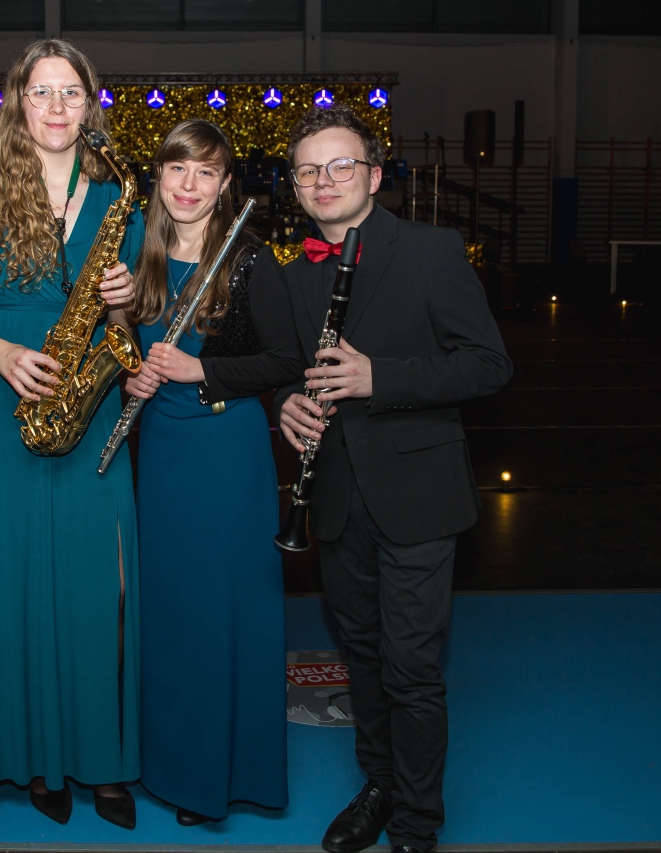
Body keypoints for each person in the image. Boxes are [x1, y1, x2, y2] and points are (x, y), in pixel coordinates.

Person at [274, 105, 512, 853]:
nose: (324, 180)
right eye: (308, 171)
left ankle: (416, 820)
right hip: (336, 497)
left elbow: (489, 365)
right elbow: (285, 366)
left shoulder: (433, 251)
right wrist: (284, 401)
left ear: (374, 176)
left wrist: (381, 378)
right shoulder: (294, 272)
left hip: (418, 494)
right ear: (295, 186)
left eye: (341, 165)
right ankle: (378, 783)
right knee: (365, 656)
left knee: (410, 666)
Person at [0, 38, 142, 830]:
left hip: (86, 395)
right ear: (16, 102)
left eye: (71, 92)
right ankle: (35, 756)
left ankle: (103, 756)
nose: (57, 107)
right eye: (41, 91)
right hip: (0, 400)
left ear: (90, 103)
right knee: (13, 581)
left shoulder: (118, 195)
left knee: (99, 584)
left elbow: (127, 320)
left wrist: (122, 298)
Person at [122, 119, 302, 826]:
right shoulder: (139, 254)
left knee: (223, 613)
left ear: (226, 184)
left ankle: (222, 777)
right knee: (171, 613)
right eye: (178, 169)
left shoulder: (249, 258)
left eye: (206, 172)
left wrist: (202, 371)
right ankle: (171, 765)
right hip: (162, 451)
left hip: (227, 451)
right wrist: (130, 374)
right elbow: (122, 341)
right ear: (159, 176)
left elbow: (286, 360)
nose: (190, 185)